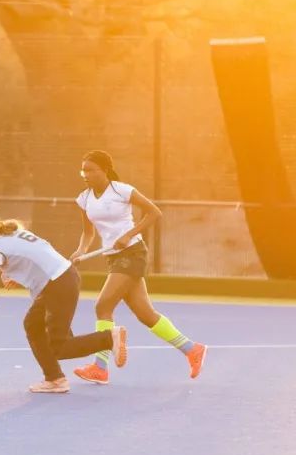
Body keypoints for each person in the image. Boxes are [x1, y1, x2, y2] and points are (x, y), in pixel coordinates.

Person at [70, 150, 206, 384]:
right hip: (113, 257)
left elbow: (154, 212)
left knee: (103, 306)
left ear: (104, 170)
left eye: (90, 169)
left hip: (132, 253)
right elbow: (88, 232)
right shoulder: (84, 198)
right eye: (83, 170)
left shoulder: (122, 190)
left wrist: (129, 234)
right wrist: (81, 249)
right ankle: (192, 349)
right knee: (146, 315)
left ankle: (100, 367)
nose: (85, 174)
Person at [0, 208, 127, 393]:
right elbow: (34, 254)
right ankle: (55, 379)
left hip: (57, 284)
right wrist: (18, 275)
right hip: (65, 277)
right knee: (33, 325)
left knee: (59, 346)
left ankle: (109, 338)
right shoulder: (14, 231)